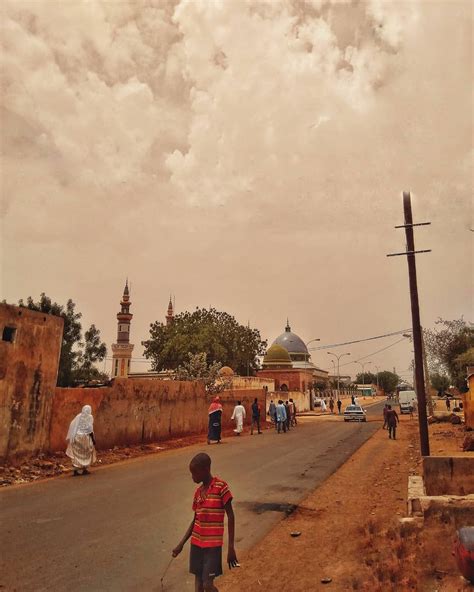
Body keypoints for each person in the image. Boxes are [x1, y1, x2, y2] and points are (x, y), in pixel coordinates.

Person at [172, 453, 238, 592]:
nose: (193, 477)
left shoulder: (221, 487)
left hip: (212, 547)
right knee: (199, 586)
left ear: (206, 469)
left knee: (208, 585)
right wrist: (181, 544)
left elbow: (231, 516)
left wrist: (231, 547)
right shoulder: (198, 493)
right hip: (196, 544)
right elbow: (195, 520)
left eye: (195, 473)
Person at [66, 404, 97, 476]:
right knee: (86, 453)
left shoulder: (78, 416)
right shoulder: (90, 417)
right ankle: (84, 469)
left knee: (76, 454)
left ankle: (75, 471)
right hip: (85, 438)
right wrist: (93, 440)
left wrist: (72, 437)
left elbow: (72, 425)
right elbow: (90, 429)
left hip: (77, 437)